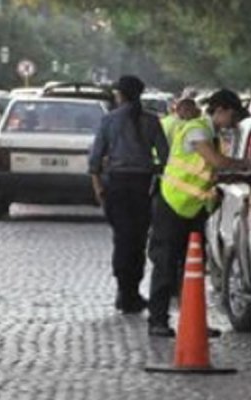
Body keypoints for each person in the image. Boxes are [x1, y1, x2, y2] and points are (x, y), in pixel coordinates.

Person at [147, 89, 249, 337]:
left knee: (192, 269)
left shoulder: (212, 134)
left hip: (192, 209)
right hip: (172, 205)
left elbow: (211, 171)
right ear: (221, 110)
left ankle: (192, 321)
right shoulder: (197, 129)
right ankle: (157, 320)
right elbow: (217, 162)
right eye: (232, 116)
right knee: (166, 264)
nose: (233, 123)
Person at [89, 75, 169, 314]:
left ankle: (125, 291)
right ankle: (131, 291)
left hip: (117, 185)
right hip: (143, 187)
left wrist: (98, 188)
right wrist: (149, 167)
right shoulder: (152, 121)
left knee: (122, 239)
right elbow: (165, 157)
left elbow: (94, 160)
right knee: (137, 239)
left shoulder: (109, 121)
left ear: (120, 95)